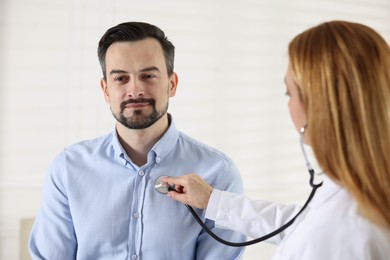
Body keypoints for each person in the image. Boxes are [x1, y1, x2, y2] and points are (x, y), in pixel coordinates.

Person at [164, 20, 390, 259]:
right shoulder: (363, 190)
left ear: (320, 104)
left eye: (289, 93)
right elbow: (301, 223)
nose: (289, 105)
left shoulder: (341, 231)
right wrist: (214, 201)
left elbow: (318, 233)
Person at [28, 21, 245, 259]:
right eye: (121, 78)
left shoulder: (219, 174)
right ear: (105, 90)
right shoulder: (67, 169)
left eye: (148, 75)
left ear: (172, 84)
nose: (135, 90)